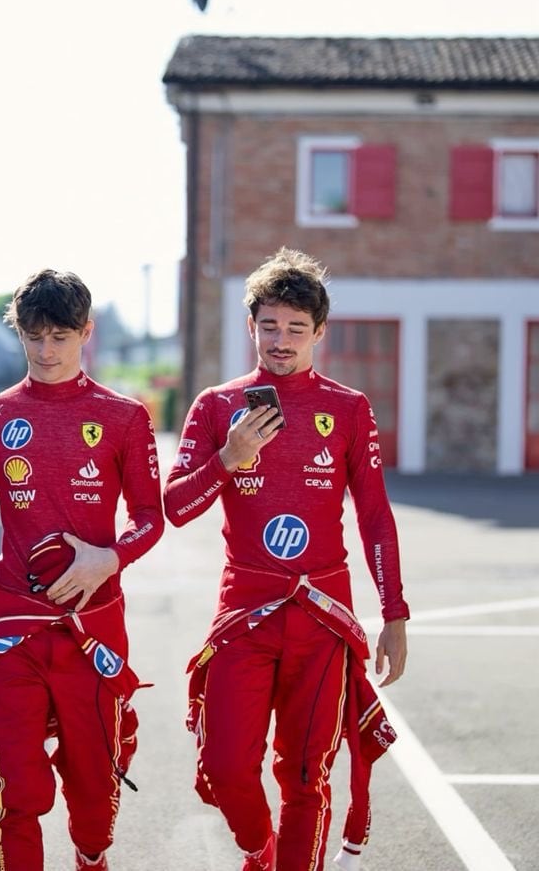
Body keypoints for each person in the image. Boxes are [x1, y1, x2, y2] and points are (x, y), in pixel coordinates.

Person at [163, 247, 409, 871]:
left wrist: (395, 614)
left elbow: (376, 516)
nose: (282, 340)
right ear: (251, 326)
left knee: (305, 778)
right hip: (244, 611)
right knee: (224, 767)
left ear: (319, 332)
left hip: (323, 617)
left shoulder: (349, 408)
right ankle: (259, 850)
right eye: (269, 325)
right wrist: (228, 459)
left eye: (297, 328)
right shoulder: (217, 406)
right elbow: (175, 507)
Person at [0, 268, 164, 871]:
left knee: (92, 792)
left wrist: (107, 558)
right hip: (12, 624)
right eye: (33, 336)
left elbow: (149, 517)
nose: (45, 350)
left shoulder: (125, 417)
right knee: (20, 791)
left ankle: (91, 856)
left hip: (94, 630)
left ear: (86, 332)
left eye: (60, 336)